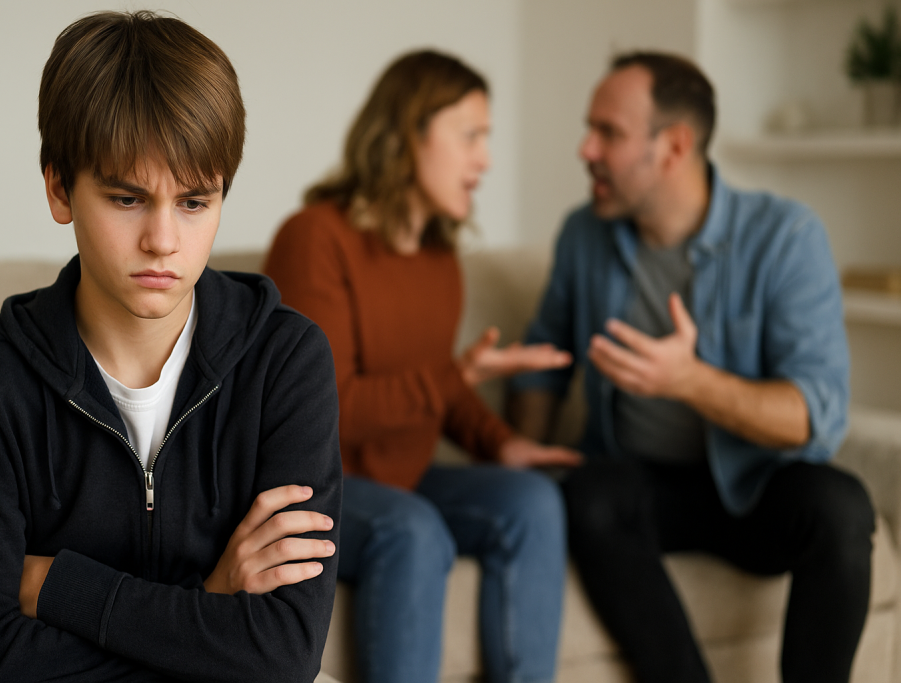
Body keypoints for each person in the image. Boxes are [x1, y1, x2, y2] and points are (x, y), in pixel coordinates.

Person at [0, 11, 341, 683]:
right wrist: (211, 604)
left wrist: (58, 586)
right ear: (59, 187)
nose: (163, 241)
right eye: (127, 199)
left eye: (194, 202)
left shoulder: (286, 362)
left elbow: (285, 652)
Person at [508, 51, 875, 683]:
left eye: (608, 133)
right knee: (588, 494)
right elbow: (545, 359)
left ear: (675, 146)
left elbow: (814, 415)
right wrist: (517, 457)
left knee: (841, 507)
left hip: (753, 485)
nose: (585, 149)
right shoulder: (583, 236)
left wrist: (690, 381)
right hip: (641, 488)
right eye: (590, 129)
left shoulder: (786, 237)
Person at [264, 50, 580, 683]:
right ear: (410, 132)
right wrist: (456, 377)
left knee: (532, 501)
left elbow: (437, 388)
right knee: (413, 531)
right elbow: (326, 411)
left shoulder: (440, 260)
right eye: (471, 136)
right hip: (313, 486)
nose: (485, 160)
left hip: (401, 477)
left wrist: (502, 443)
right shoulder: (315, 238)